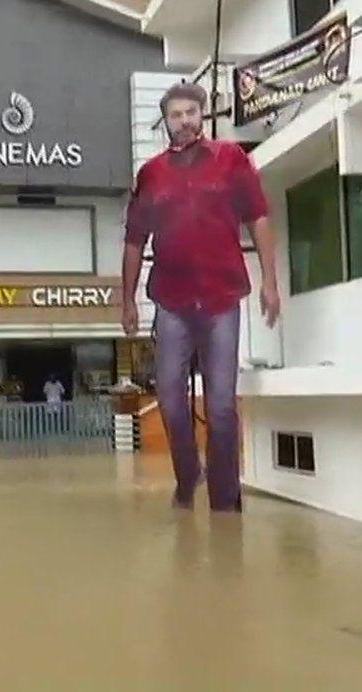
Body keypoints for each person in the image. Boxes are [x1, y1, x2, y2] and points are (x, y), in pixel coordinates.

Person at [122, 82, 280, 513]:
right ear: (166, 122)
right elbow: (135, 240)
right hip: (171, 302)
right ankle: (188, 475)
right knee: (171, 400)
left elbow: (259, 217)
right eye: (176, 114)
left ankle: (225, 500)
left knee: (222, 405)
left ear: (203, 115)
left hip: (222, 297)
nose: (185, 121)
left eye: (192, 112)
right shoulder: (150, 174)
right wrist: (128, 299)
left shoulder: (232, 160)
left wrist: (269, 281)